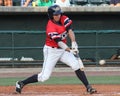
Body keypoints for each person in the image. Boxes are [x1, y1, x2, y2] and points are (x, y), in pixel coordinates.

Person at [15, 4, 97, 94]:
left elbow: (70, 31)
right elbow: (59, 42)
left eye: (59, 13)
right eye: (56, 14)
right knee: (44, 77)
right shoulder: (50, 27)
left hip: (63, 50)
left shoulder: (64, 18)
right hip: (51, 51)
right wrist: (70, 50)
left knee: (76, 65)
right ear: (51, 15)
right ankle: (21, 83)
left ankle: (88, 87)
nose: (58, 15)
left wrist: (74, 43)